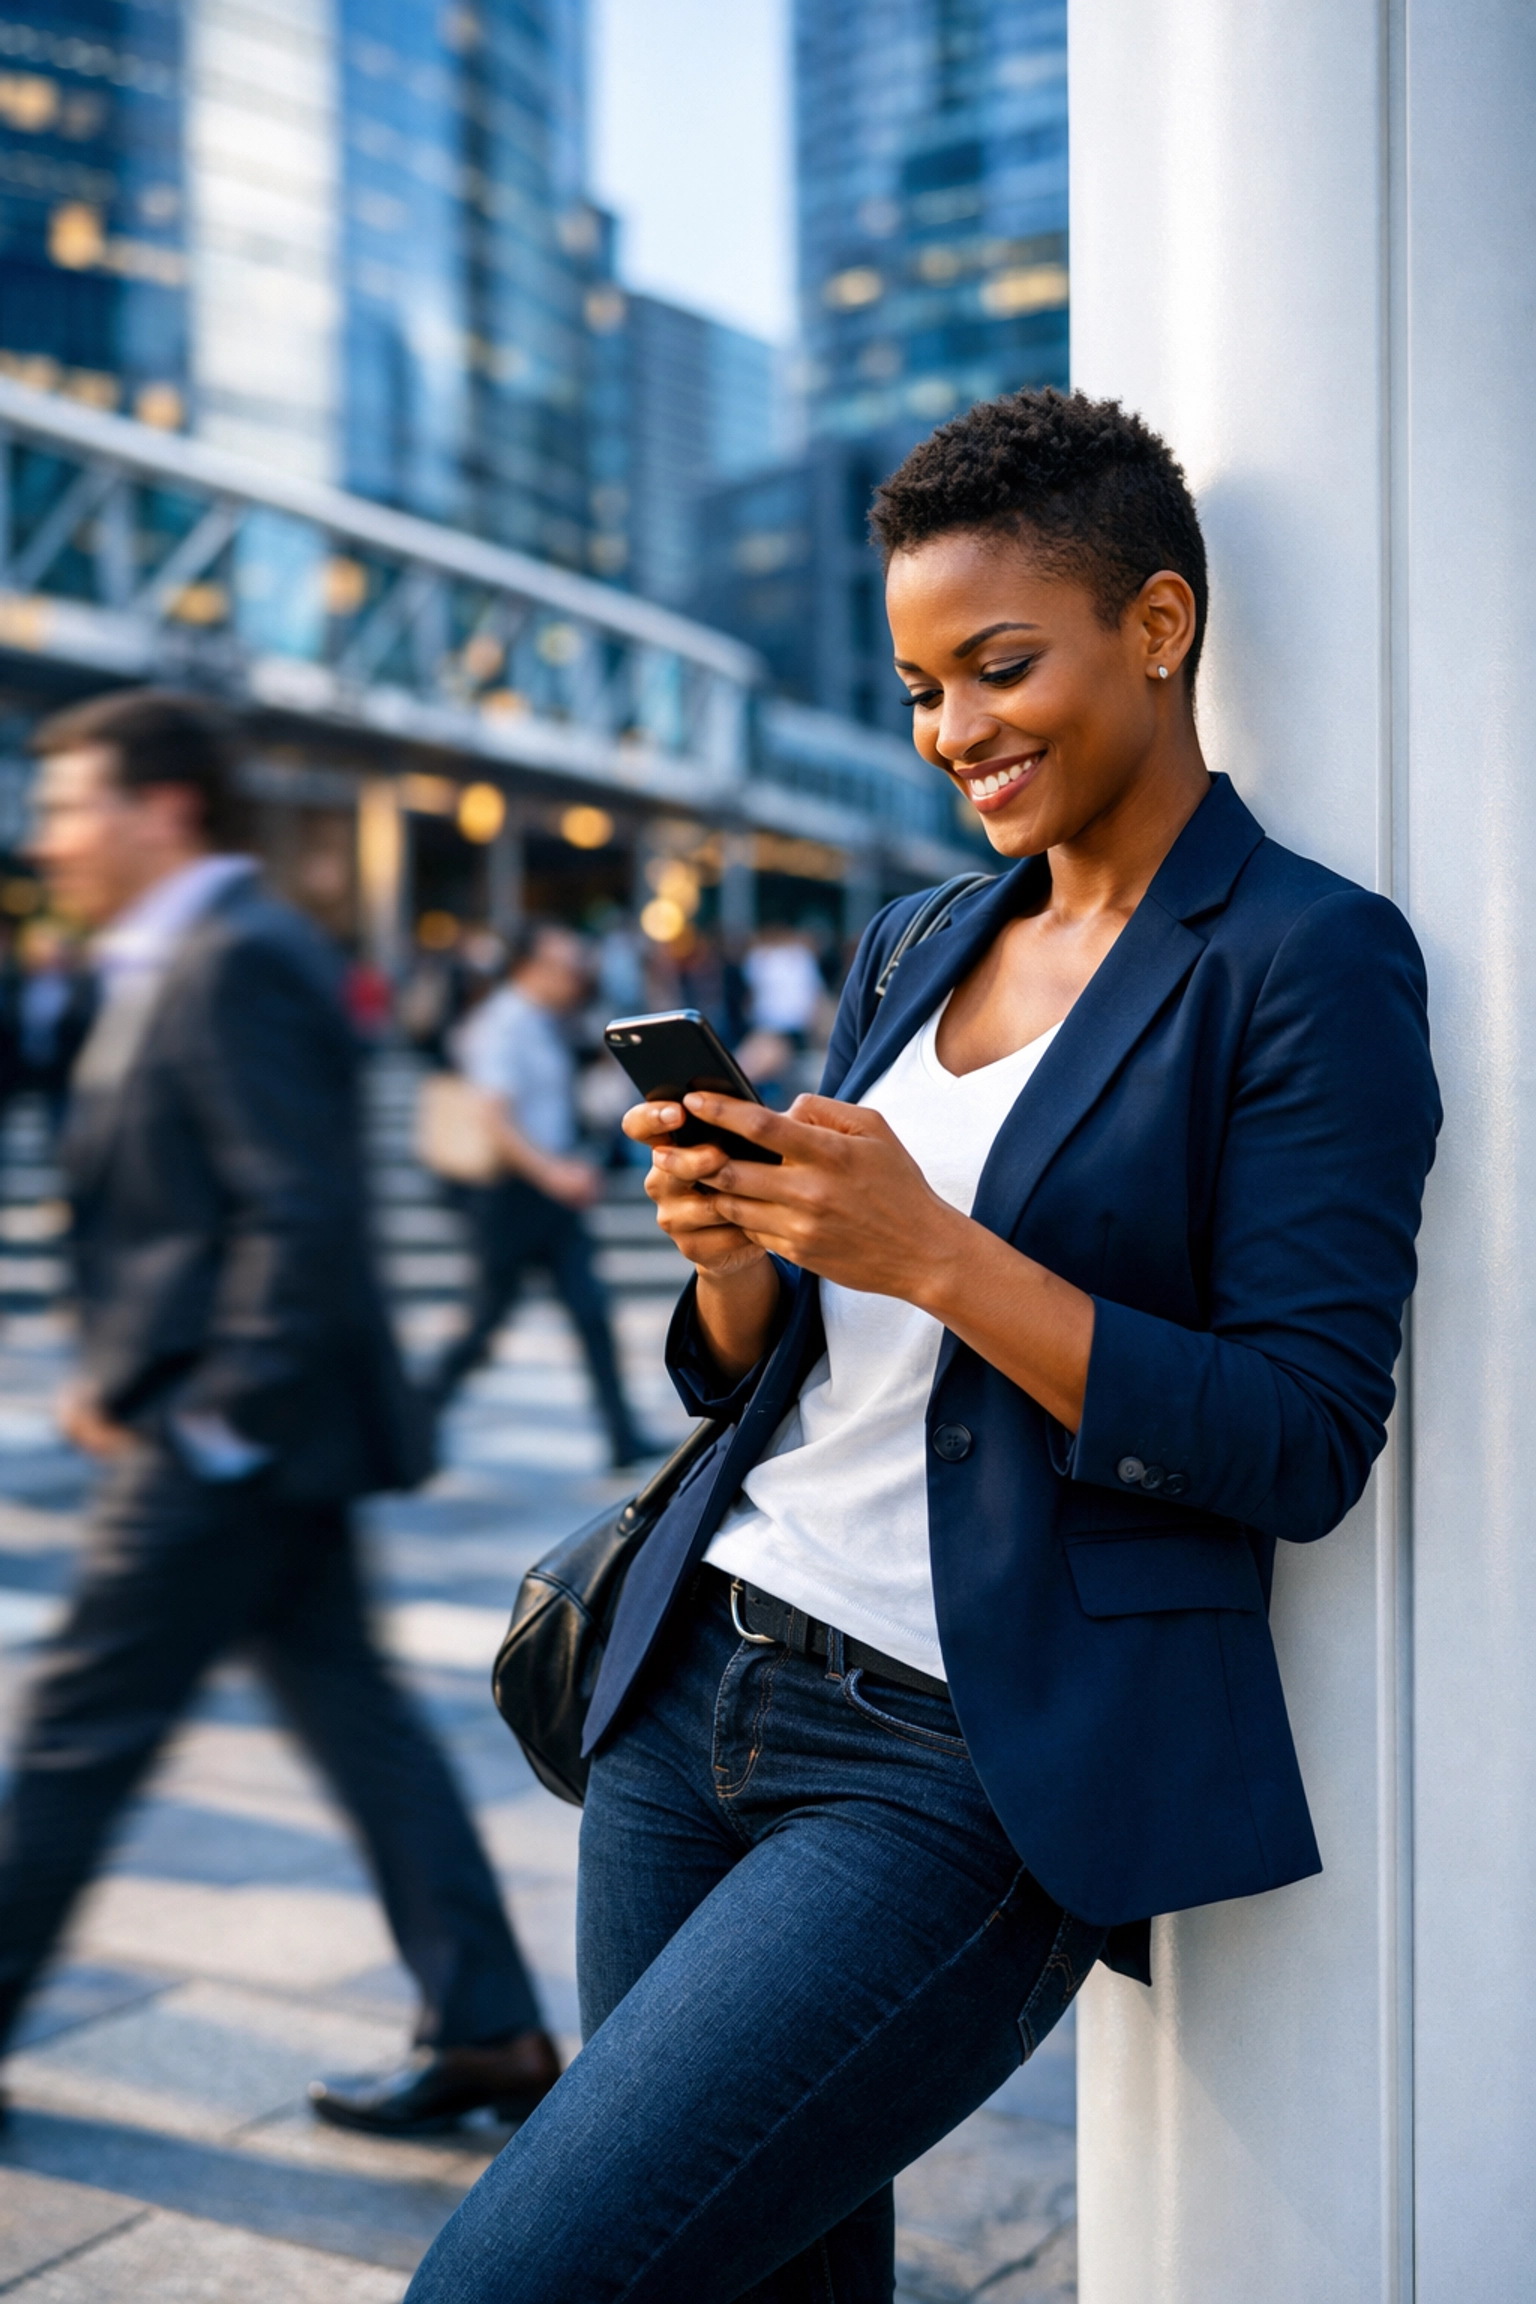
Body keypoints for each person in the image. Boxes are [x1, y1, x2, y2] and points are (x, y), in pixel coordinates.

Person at [406, 388, 1441, 2303]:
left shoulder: (1304, 956)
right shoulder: (915, 940)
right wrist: (737, 1250)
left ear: (1154, 624)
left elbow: (1299, 1433)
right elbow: (768, 1366)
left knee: (513, 2281)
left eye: (996, 665)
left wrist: (938, 1252)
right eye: (916, 686)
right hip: (684, 1688)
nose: (953, 729)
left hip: (955, 1756)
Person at [0, 688, 561, 2137]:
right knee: (360, 1722)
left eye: (70, 803)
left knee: (74, 1730)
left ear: (163, 808)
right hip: (253, 1434)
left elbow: (297, 1218)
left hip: (234, 1446)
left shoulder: (237, 955)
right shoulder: (187, 953)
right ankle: (492, 2028)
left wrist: (211, 1423)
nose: (46, 833)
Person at [428, 920, 654, 1468]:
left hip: (546, 1196)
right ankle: (410, 1417)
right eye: (568, 966)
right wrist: (552, 1172)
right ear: (532, 967)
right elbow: (492, 1116)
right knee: (484, 1323)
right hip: (511, 1197)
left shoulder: (548, 1022)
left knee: (589, 1312)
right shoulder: (503, 1023)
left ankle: (622, 1436)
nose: (579, 977)